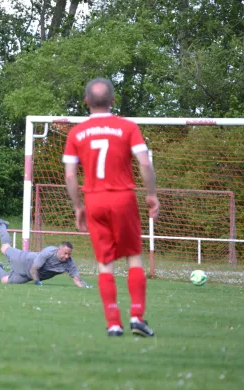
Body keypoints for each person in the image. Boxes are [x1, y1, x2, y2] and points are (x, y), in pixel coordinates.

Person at [62, 77, 160, 337]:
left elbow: (70, 176)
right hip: (123, 198)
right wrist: (151, 194)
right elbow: (144, 163)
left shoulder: (76, 133)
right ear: (113, 101)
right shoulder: (127, 127)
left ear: (86, 102)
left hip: (94, 200)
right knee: (133, 258)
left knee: (105, 262)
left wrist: (77, 207)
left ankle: (113, 323)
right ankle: (137, 317)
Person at [0, 216, 91, 288]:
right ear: (59, 250)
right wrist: (37, 281)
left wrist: (85, 286)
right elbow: (34, 268)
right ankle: (2, 225)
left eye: (69, 254)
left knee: (4, 281)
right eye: (65, 253)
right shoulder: (49, 252)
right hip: (23, 259)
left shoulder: (69, 263)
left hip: (27, 275)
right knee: (4, 248)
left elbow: (77, 279)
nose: (67, 256)